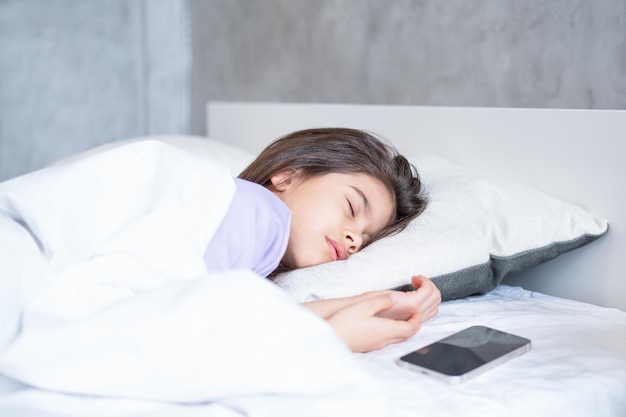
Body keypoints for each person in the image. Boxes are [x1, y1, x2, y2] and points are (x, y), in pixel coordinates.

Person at [204, 127, 441, 353]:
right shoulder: (258, 211)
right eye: (351, 206)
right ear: (286, 176)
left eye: (366, 239)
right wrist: (336, 334)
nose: (354, 240)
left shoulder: (255, 237)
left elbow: (241, 313)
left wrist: (377, 304)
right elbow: (199, 329)